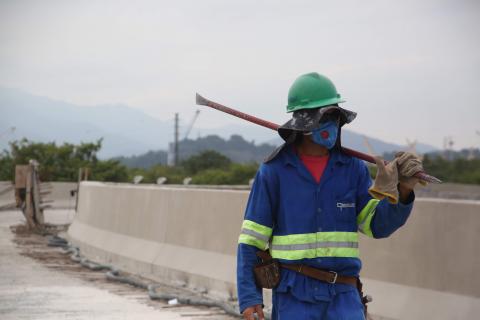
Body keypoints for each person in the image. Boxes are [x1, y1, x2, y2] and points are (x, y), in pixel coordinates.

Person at [236, 72, 424, 320]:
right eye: (327, 116)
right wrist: (250, 297)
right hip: (294, 296)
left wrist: (403, 191)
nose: (333, 124)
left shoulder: (353, 169)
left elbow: (376, 226)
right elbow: (252, 239)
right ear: (304, 122)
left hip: (343, 297)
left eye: (336, 116)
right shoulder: (274, 171)